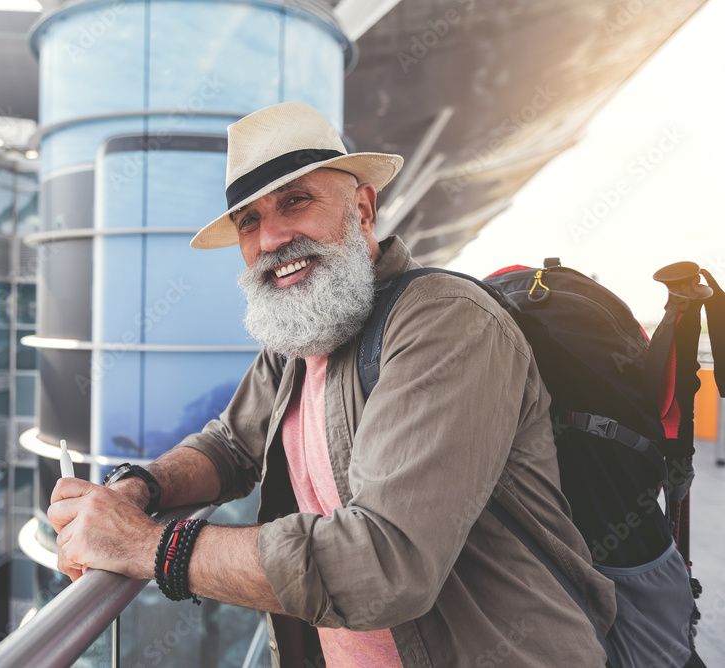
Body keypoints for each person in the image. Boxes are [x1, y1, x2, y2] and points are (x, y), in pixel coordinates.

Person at [47, 102, 616, 667]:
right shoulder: (300, 341)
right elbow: (229, 445)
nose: (270, 239)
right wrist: (135, 488)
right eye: (249, 221)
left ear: (363, 209)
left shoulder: (446, 321)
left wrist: (146, 546)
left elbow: (384, 565)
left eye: (295, 201)